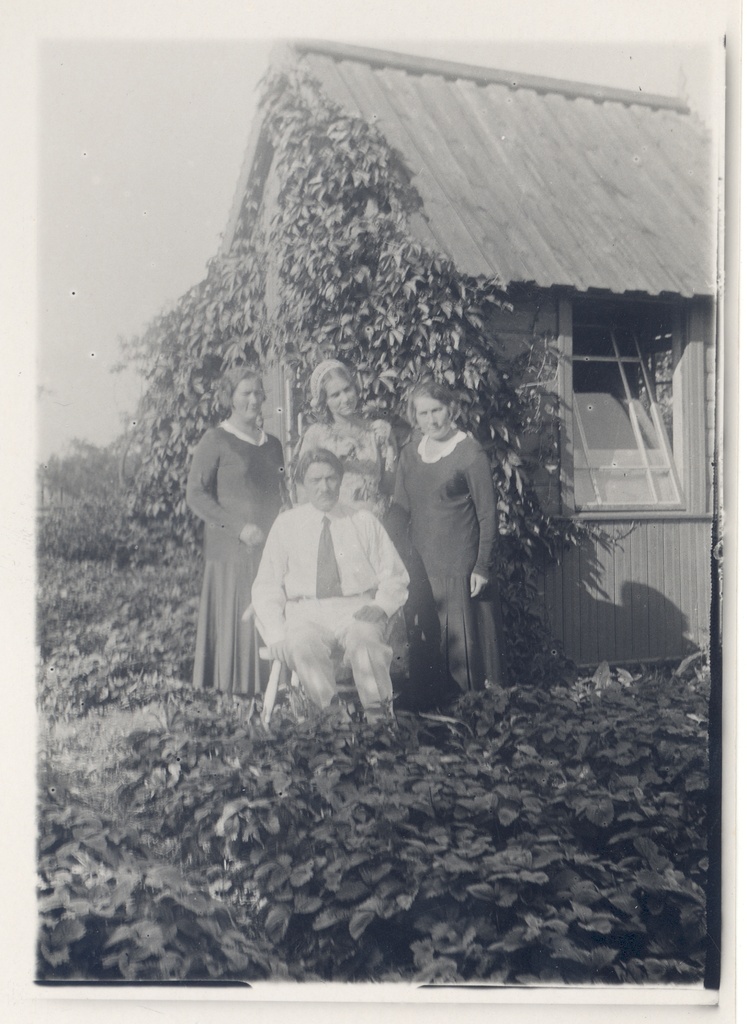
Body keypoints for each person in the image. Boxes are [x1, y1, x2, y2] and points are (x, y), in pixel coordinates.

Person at [251, 448, 409, 721]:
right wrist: (275, 632)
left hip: (355, 607)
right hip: (305, 611)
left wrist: (382, 606)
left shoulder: (363, 521)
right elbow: (267, 585)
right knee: (301, 644)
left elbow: (394, 574)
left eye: (331, 478)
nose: (324, 487)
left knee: (366, 639)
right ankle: (332, 721)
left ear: (340, 479)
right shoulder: (287, 525)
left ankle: (379, 720)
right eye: (315, 481)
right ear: (302, 485)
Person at [393, 379, 505, 705]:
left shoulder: (469, 452)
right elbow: (400, 512)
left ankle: (472, 718)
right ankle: (433, 721)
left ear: (451, 408)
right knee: (427, 648)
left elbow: (487, 514)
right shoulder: (410, 453)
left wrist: (482, 566)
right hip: (420, 567)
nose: (432, 420)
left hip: (460, 566)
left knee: (464, 651)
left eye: (437, 410)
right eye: (423, 413)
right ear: (415, 416)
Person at [186, 367, 285, 696]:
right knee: (238, 610)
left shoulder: (273, 445)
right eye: (246, 393)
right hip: (231, 548)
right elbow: (196, 494)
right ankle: (234, 688)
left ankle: (272, 683)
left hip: (269, 547)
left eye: (258, 393)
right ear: (230, 398)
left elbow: (281, 493)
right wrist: (239, 528)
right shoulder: (215, 439)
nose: (254, 399)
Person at [295, 359, 398, 518]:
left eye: (347, 389)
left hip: (370, 520)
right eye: (335, 395)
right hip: (334, 520)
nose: (345, 399)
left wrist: (390, 447)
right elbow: (302, 490)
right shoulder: (316, 435)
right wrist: (334, 460)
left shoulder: (375, 430)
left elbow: (388, 487)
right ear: (325, 401)